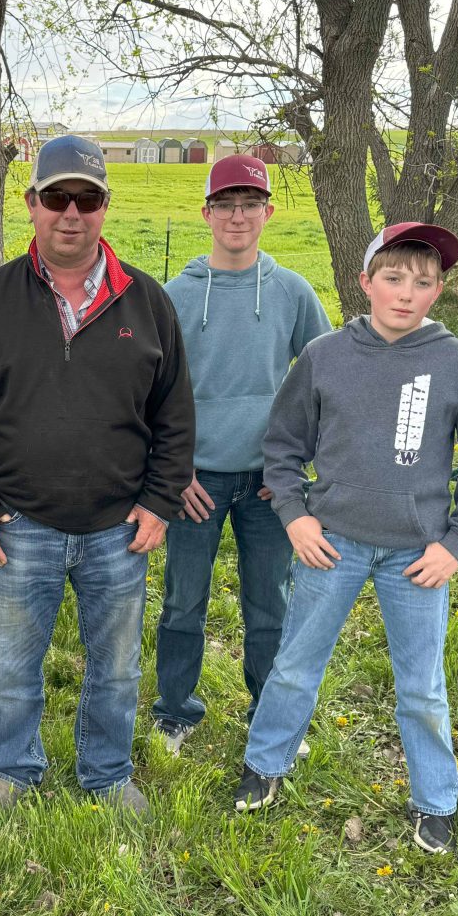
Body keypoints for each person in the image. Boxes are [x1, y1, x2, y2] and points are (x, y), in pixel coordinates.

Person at [234, 223, 458, 855]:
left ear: (438, 292)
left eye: (423, 283)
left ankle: (435, 800)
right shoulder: (326, 355)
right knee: (297, 665)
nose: (406, 294)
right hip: (334, 545)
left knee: (422, 684)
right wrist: (297, 517)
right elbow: (282, 449)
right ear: (366, 284)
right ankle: (265, 764)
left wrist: (456, 544)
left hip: (417, 557)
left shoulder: (456, 364)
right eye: (393, 279)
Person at [0, 134, 195, 815]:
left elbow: (174, 416)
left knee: (116, 670)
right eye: (57, 197)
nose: (71, 213)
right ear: (31, 204)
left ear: (105, 207)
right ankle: (13, 769)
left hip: (119, 528)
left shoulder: (146, 303)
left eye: (86, 199)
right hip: (18, 524)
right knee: (10, 670)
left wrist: (159, 501)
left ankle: (107, 771)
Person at [152, 155, 330, 754]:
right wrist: (172, 471)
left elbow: (327, 378)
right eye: (224, 204)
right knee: (183, 602)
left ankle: (270, 710)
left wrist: (297, 466)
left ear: (268, 213)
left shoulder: (291, 291)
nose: (237, 216)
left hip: (267, 483)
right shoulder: (175, 295)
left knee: (268, 604)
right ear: (206, 213)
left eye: (250, 204)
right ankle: (174, 711)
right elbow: (149, 394)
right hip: (193, 481)